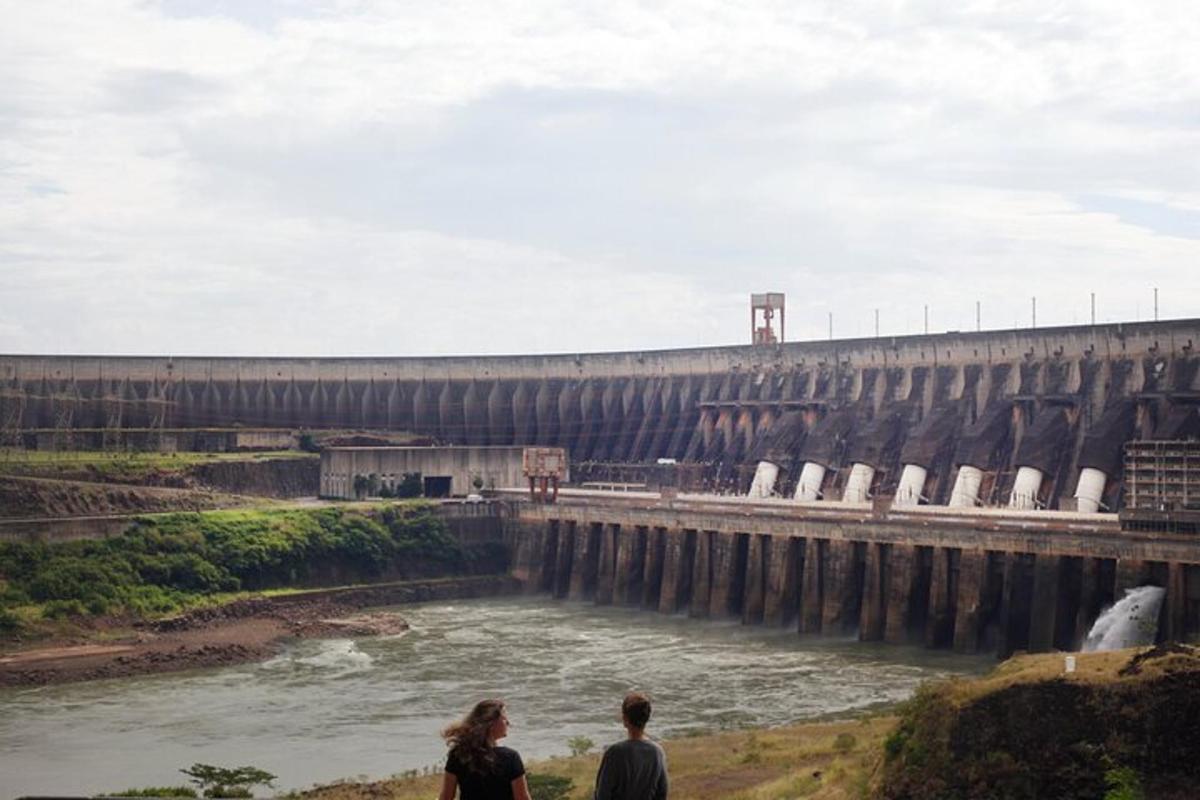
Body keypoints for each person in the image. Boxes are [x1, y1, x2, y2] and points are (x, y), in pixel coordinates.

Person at [439, 699, 532, 800]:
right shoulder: (510, 757)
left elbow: (446, 797)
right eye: (504, 719)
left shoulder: (459, 754)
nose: (508, 723)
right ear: (491, 724)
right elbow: (522, 798)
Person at [593, 692, 669, 800]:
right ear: (646, 718)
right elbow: (662, 793)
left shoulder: (614, 752)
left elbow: (602, 795)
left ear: (625, 719)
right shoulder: (657, 752)